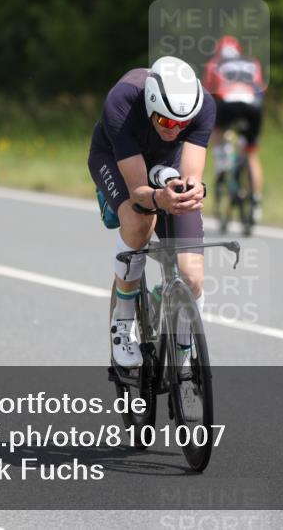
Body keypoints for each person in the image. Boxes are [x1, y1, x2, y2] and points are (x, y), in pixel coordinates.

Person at [88, 55, 216, 377]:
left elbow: (191, 172)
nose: (175, 129)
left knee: (193, 276)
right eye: (166, 122)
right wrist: (159, 198)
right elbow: (138, 190)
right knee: (141, 220)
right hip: (118, 160)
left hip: (165, 164)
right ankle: (124, 314)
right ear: (151, 105)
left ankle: (184, 347)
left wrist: (191, 191)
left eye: (182, 124)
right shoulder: (123, 100)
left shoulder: (204, 107)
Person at [202, 35, 265, 221]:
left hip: (227, 104)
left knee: (218, 132)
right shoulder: (252, 62)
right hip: (253, 105)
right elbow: (261, 89)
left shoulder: (215, 63)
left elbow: (208, 93)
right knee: (252, 154)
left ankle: (223, 159)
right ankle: (256, 202)